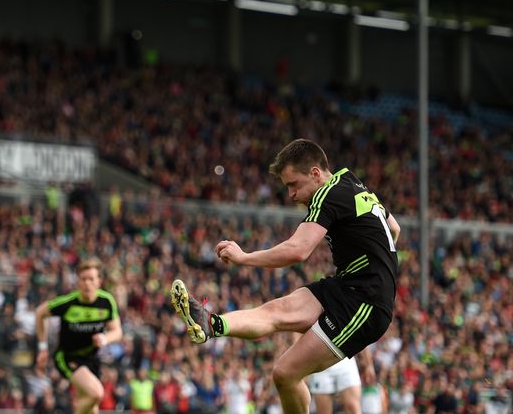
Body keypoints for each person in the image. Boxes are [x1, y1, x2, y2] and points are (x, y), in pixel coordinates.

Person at [170, 138, 400, 414]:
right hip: (350, 285)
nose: (290, 194)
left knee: (285, 373)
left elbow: (298, 250)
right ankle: (211, 324)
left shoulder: (327, 194)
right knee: (276, 311)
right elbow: (393, 228)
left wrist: (244, 258)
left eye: (294, 184)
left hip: (366, 300)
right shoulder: (352, 184)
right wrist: (372, 260)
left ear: (315, 174)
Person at [35, 257, 122, 414]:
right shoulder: (69, 303)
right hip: (68, 357)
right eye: (83, 279)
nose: (87, 283)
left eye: (91, 279)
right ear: (78, 282)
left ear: (99, 281)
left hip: (91, 359)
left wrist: (105, 338)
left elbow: (117, 331)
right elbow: (40, 313)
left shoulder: (106, 302)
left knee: (92, 407)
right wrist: (42, 348)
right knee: (96, 393)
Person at [307, 348, 375, 414]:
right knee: (324, 411)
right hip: (320, 363)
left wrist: (369, 364)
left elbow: (359, 337)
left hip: (345, 359)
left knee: (353, 407)